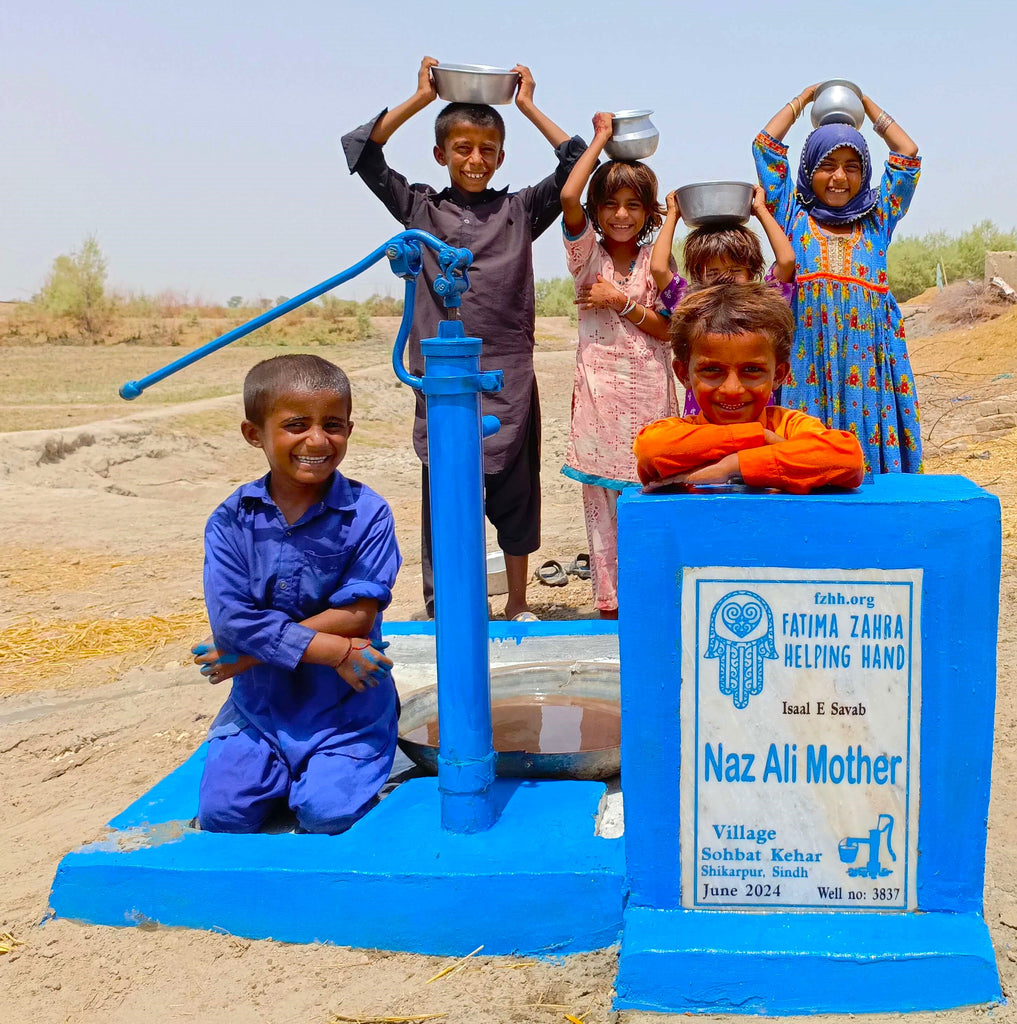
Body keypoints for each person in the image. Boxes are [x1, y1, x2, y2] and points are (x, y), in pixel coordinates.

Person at [342, 56, 587, 621]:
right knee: (447, 498)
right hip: (444, 380)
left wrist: (525, 106)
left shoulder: (520, 210)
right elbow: (364, 154)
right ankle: (446, 607)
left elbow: (576, 165)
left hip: (509, 375)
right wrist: (421, 99)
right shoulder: (420, 208)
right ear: (441, 154)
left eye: (487, 149)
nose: (475, 159)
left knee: (518, 496)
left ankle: (520, 602)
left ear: (501, 155)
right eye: (462, 147)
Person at [192, 354, 401, 834]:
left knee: (325, 813)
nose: (317, 440)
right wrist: (334, 651)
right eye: (295, 425)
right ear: (254, 434)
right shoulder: (230, 520)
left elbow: (356, 616)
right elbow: (233, 625)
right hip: (259, 709)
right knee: (224, 816)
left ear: (349, 428)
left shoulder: (368, 513)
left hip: (347, 706)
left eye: (333, 425)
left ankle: (352, 758)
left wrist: (247, 657)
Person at [753, 84, 922, 474]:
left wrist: (861, 102)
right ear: (809, 170)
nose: (839, 177)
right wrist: (805, 98)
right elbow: (765, 145)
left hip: (868, 369)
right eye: (827, 165)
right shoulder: (792, 216)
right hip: (806, 360)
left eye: (852, 166)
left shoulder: (879, 218)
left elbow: (907, 154)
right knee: (806, 458)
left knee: (867, 465)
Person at [560, 112, 675, 619]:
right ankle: (609, 608)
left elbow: (670, 328)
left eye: (634, 205)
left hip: (652, 397)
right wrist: (602, 138)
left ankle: (652, 602)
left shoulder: (656, 260)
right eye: (611, 205)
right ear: (598, 211)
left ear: (647, 212)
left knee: (651, 502)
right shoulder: (585, 257)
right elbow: (568, 197)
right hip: (599, 404)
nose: (621, 215)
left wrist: (617, 301)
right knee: (603, 510)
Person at [634, 284, 864, 494]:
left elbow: (847, 458)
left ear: (779, 374)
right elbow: (650, 449)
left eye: (752, 370)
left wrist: (732, 466)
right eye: (712, 370)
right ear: (683, 374)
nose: (732, 389)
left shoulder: (790, 426)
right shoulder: (677, 432)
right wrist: (757, 437)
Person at [650, 185, 796, 415]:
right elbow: (658, 268)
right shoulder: (693, 303)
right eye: (714, 272)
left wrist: (760, 210)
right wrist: (673, 216)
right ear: (698, 275)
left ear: (751, 271)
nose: (725, 278)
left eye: (735, 270)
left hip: (753, 413)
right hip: (705, 415)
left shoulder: (762, 305)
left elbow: (786, 260)